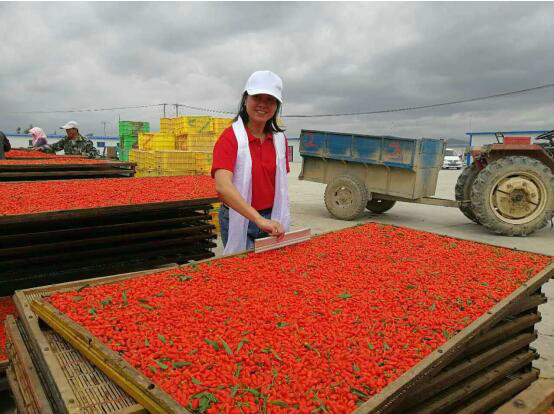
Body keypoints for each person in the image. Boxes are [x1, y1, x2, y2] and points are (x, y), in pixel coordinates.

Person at [212, 70, 290, 255]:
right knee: (242, 273)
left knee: (271, 273)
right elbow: (222, 186)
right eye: (257, 97)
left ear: (277, 105)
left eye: (270, 100)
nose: (263, 105)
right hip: (238, 217)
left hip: (272, 217)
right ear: (245, 99)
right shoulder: (230, 138)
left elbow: (279, 186)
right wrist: (257, 219)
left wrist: (268, 219)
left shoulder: (279, 140)